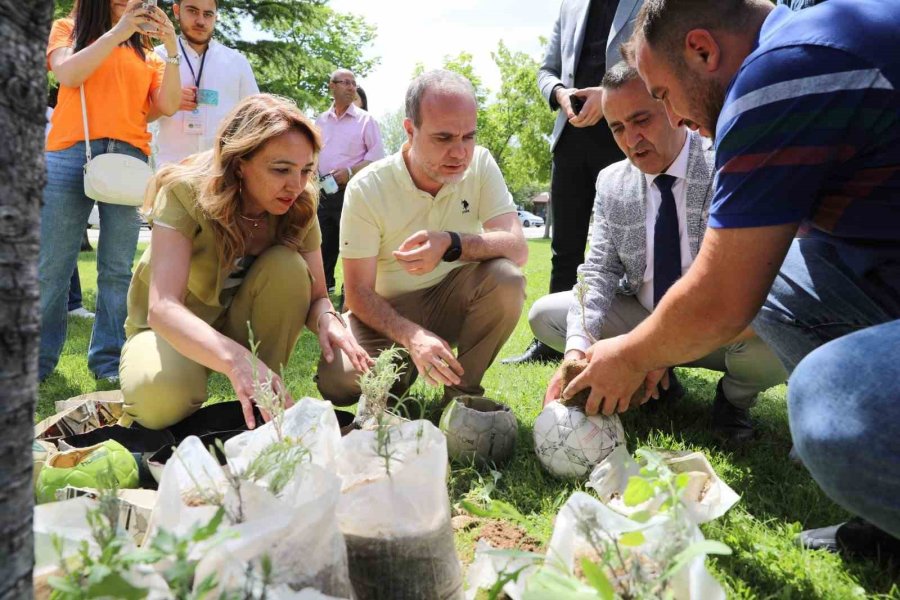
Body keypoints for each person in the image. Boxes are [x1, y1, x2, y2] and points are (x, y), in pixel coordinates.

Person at [566, 0, 899, 557]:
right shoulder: (816, 45)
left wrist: (631, 356)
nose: (671, 120)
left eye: (664, 97)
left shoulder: (779, 72)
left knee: (832, 400)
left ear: (702, 50)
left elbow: (723, 295)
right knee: (782, 279)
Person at [533, 62, 786, 443]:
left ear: (670, 108)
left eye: (641, 120)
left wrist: (651, 350)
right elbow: (597, 271)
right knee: (546, 316)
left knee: (776, 338)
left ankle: (734, 401)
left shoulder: (725, 162)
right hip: (643, 314)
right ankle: (659, 386)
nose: (631, 139)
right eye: (618, 128)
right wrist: (576, 352)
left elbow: (750, 282)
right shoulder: (611, 182)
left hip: (717, 322)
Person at [120, 94, 371, 431]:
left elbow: (317, 298)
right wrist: (236, 359)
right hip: (175, 329)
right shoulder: (184, 190)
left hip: (240, 324)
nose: (296, 185)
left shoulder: (300, 203)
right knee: (161, 400)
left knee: (288, 266)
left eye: (306, 170)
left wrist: (328, 319)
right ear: (239, 162)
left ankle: (261, 400)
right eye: (281, 169)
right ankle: (186, 386)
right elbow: (163, 307)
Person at [316, 70, 528, 406]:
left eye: (468, 137)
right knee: (339, 381)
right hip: (384, 313)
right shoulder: (368, 187)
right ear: (410, 131)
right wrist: (412, 337)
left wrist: (451, 243)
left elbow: (517, 246)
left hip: (453, 302)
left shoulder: (481, 165)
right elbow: (356, 293)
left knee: (507, 278)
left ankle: (462, 398)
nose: (460, 153)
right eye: (443, 138)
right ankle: (400, 375)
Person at [41, 0, 181, 382]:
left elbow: (166, 104)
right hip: (70, 152)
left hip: (129, 159)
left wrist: (171, 45)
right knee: (51, 266)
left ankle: (107, 363)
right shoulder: (66, 29)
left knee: (117, 270)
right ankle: (35, 363)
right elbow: (68, 73)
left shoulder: (149, 54)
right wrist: (119, 32)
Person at [505, 0, 641, 364]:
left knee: (630, 251)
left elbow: (657, 56)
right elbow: (547, 70)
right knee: (564, 249)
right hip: (570, 139)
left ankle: (634, 344)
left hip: (623, 138)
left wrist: (607, 95)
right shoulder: (571, 6)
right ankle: (552, 344)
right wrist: (558, 93)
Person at [154, 0, 260, 166]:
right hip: (171, 171)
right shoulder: (157, 57)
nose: (201, 21)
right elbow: (137, 116)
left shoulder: (237, 63)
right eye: (193, 11)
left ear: (216, 17)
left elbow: (255, 120)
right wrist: (168, 101)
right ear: (176, 11)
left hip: (221, 175)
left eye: (208, 14)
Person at [315, 69, 385, 294]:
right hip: (323, 191)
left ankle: (351, 289)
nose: (351, 87)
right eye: (345, 82)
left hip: (353, 192)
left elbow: (377, 158)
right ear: (331, 86)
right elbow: (313, 154)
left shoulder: (366, 121)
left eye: (354, 83)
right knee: (323, 241)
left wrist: (350, 172)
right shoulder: (320, 121)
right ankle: (324, 289)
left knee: (352, 242)